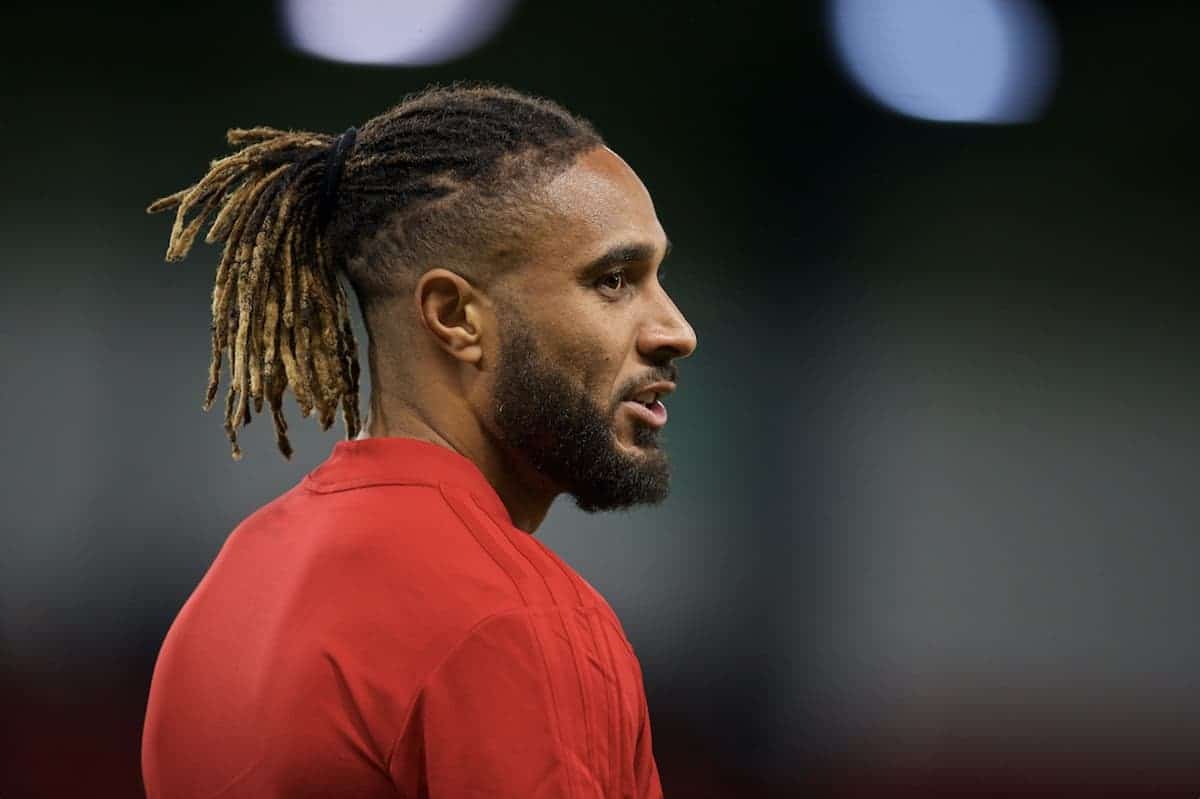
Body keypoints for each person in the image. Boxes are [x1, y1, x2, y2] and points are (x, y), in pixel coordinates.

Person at [141, 83, 697, 798]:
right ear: (456, 316)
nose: (676, 329)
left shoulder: (233, 588)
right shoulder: (519, 619)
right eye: (614, 280)